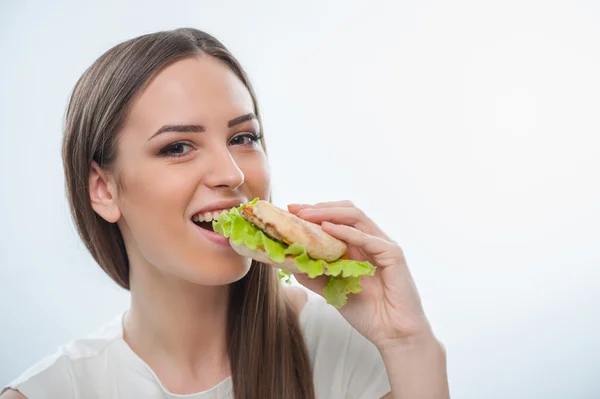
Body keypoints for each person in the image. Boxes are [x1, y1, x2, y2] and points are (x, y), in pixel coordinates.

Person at [1, 28, 449, 399]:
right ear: (103, 189)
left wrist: (409, 343)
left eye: (244, 138)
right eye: (177, 147)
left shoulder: (349, 348)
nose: (232, 173)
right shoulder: (53, 391)